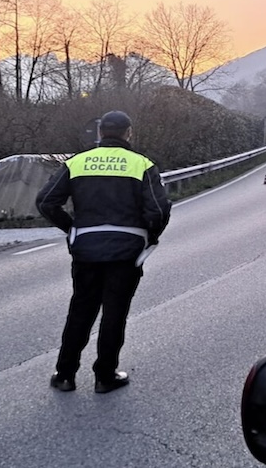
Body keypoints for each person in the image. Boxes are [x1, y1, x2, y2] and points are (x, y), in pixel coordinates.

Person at [36, 110, 172, 394]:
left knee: (81, 310)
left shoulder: (76, 162)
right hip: (126, 252)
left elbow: (47, 202)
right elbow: (159, 210)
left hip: (86, 250)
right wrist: (150, 237)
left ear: (100, 133)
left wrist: (72, 229)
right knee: (115, 312)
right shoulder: (142, 165)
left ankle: (64, 375)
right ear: (128, 133)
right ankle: (105, 376)